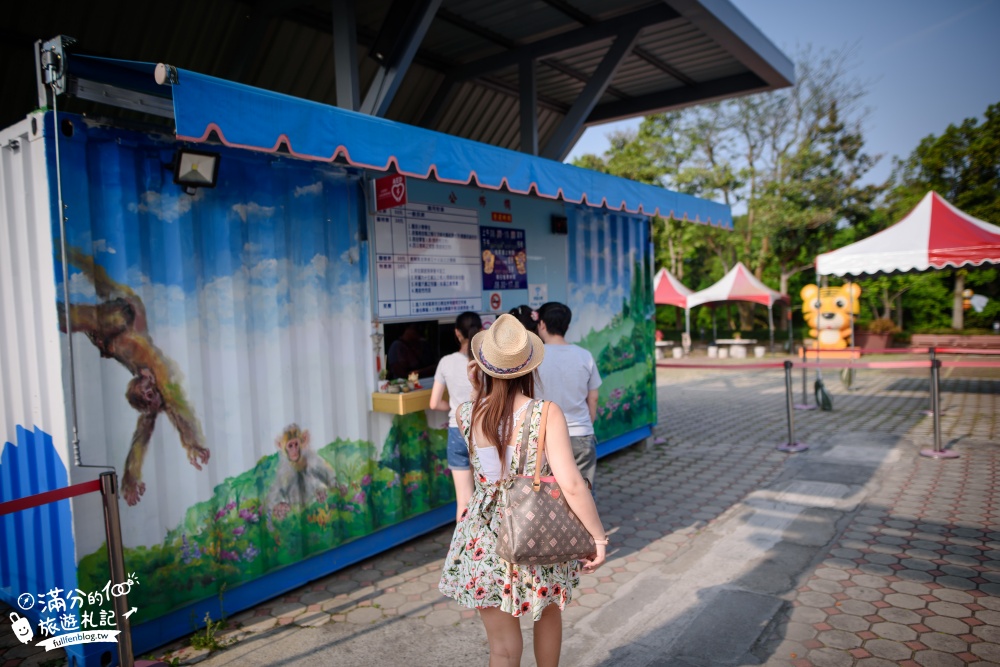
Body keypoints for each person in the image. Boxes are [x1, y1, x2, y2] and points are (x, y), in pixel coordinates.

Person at [439, 314, 607, 667]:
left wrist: (476, 388)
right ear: (529, 367)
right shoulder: (545, 413)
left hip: (483, 537)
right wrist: (598, 538)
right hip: (536, 529)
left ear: (483, 367)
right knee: (546, 614)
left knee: (501, 649)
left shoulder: (466, 413)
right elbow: (572, 485)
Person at [535, 302, 601, 489]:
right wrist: (588, 423)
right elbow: (593, 397)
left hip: (545, 437)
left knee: (549, 496)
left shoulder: (534, 359)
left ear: (542, 325)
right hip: (581, 433)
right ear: (567, 327)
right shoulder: (584, 356)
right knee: (583, 492)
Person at [429, 311, 483, 520]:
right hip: (484, 430)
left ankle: (464, 550)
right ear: (480, 331)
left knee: (464, 501)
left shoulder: (446, 362)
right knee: (491, 494)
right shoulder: (486, 360)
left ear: (457, 333)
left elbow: (434, 403)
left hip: (457, 430)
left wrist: (453, 406)